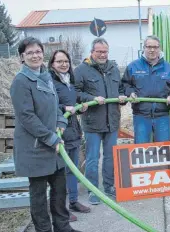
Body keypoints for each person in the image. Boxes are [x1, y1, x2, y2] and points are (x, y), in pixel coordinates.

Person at [10, 37, 80, 232]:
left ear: (43, 54)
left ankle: (63, 227)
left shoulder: (46, 76)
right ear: (22, 57)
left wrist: (60, 122)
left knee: (59, 191)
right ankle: (44, 229)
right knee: (39, 196)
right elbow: (27, 117)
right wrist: (50, 138)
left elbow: (55, 106)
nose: (35, 55)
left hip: (54, 146)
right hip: (35, 148)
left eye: (38, 51)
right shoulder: (21, 82)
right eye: (30, 52)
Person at [74, 38, 127, 205]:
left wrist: (122, 98)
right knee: (92, 157)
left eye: (105, 51)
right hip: (92, 122)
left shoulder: (113, 69)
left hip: (112, 121)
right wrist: (91, 98)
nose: (103, 54)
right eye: (99, 51)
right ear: (92, 52)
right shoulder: (81, 70)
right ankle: (93, 190)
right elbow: (75, 93)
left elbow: (120, 89)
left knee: (110, 157)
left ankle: (109, 186)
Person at [49, 50, 91, 222]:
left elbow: (72, 103)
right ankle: (60, 210)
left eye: (66, 61)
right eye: (59, 61)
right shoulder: (49, 82)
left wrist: (79, 107)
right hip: (59, 131)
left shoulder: (69, 82)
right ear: (52, 64)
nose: (64, 64)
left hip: (73, 130)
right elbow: (49, 105)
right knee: (60, 174)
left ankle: (73, 202)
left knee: (73, 169)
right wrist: (64, 108)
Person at [122, 35, 170, 144]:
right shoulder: (133, 66)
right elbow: (125, 84)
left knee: (163, 148)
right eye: (149, 46)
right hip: (141, 115)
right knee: (141, 149)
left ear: (159, 49)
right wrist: (131, 93)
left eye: (155, 47)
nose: (152, 50)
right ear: (144, 48)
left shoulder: (168, 68)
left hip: (162, 116)